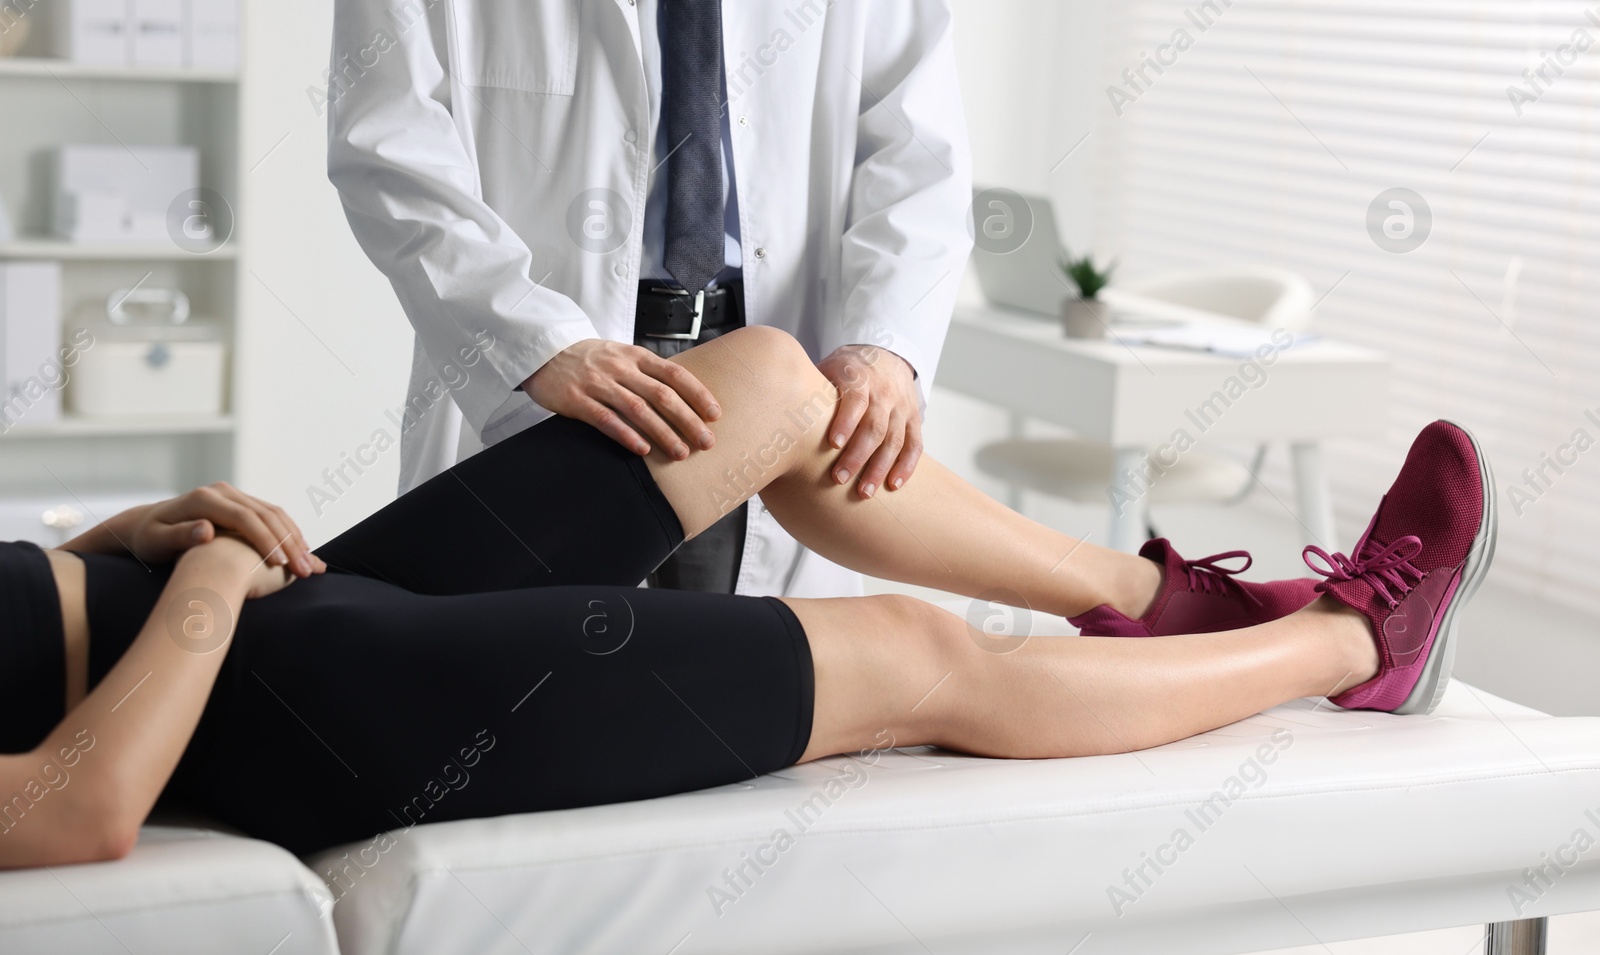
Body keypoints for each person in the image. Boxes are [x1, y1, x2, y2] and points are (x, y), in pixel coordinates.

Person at [0, 328, 1494, 865]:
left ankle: (1150, 597)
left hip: (250, 606)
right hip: (304, 703)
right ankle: (1357, 637)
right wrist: (201, 577)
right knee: (914, 655)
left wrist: (121, 537)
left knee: (767, 384)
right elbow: (75, 805)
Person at [325, 0, 972, 598]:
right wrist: (531, 341)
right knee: (540, 687)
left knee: (745, 688)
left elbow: (917, 137)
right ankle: (1111, 588)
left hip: (779, 364)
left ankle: (1111, 590)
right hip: (560, 369)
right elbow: (387, 134)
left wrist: (886, 340)